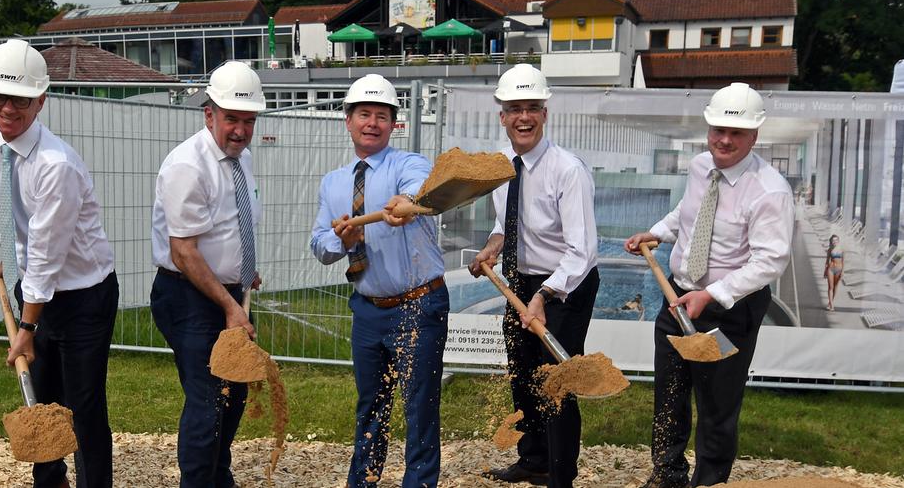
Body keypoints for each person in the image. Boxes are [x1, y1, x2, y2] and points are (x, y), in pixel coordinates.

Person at [625, 82, 794, 488]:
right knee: (669, 394)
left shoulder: (770, 191)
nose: (724, 139)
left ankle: (710, 482)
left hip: (727, 311)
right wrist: (657, 233)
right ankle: (667, 476)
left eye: (736, 133)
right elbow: (689, 213)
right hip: (678, 300)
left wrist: (712, 295)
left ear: (755, 135)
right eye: (718, 129)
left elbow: (770, 260)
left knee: (717, 405)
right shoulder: (702, 166)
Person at [0, 39, 119, 488]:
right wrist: (8, 262)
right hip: (38, 285)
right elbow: (22, 221)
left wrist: (27, 328)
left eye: (20, 99)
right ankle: (50, 479)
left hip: (84, 295)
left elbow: (47, 250)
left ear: (41, 100)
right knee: (39, 397)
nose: (8, 109)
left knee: (81, 403)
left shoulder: (55, 165)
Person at [310, 74, 448, 488]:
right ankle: (363, 482)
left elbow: (421, 194)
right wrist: (342, 239)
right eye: (364, 114)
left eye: (382, 116)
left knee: (419, 406)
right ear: (347, 121)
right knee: (371, 405)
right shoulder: (334, 183)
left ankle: (419, 483)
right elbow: (319, 245)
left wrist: (406, 204)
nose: (373, 122)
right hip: (368, 311)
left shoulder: (408, 165)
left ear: (394, 125)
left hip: (417, 305)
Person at [467, 64, 600, 488]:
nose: (523, 117)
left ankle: (561, 476)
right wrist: (493, 245)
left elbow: (582, 251)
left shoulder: (568, 171)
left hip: (566, 285)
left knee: (556, 379)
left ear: (545, 114)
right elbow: (509, 225)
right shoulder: (502, 166)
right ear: (501, 116)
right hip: (519, 280)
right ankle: (534, 459)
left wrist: (545, 294)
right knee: (523, 373)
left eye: (532, 108)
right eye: (514, 109)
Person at [150, 60, 266, 488]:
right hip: (188, 298)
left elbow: (232, 224)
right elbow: (183, 252)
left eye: (248, 120)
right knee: (208, 400)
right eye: (231, 119)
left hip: (225, 293)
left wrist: (244, 269)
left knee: (232, 395)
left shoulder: (242, 159)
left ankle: (219, 477)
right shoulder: (187, 165)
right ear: (209, 113)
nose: (239, 130)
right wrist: (229, 306)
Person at [825, 235, 843, 311]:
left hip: (839, 269)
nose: (834, 241)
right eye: (833, 240)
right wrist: (825, 271)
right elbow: (827, 261)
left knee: (835, 287)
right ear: (831, 242)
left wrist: (843, 271)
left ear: (838, 241)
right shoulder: (830, 250)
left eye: (836, 240)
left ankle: (830, 302)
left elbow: (843, 262)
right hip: (831, 269)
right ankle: (832, 305)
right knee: (830, 287)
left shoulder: (842, 250)